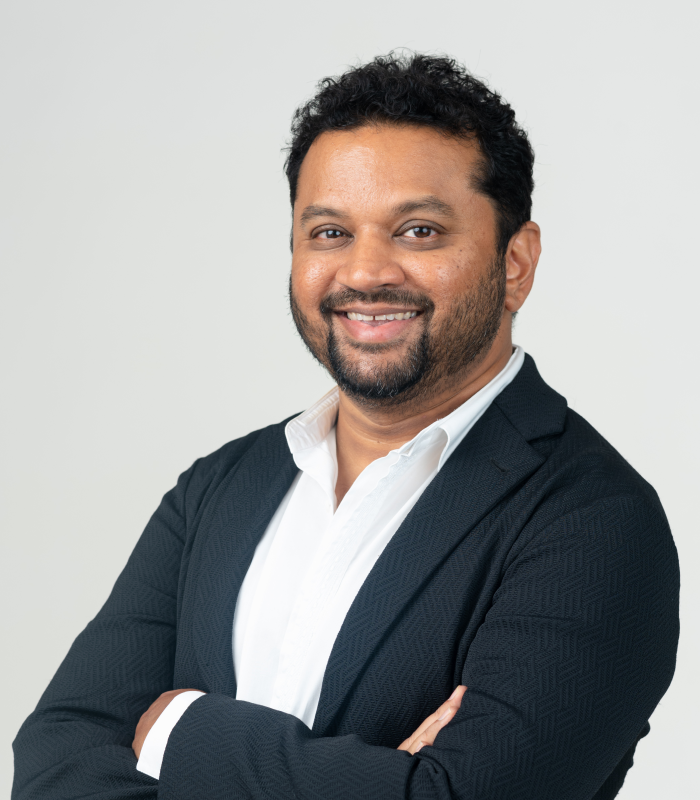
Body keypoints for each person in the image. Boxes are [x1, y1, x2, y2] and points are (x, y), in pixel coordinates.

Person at [12, 52, 679, 800]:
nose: (364, 273)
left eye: (419, 231)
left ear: (515, 263)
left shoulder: (594, 521)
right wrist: (380, 777)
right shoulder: (219, 489)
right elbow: (53, 761)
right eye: (330, 232)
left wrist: (179, 729)